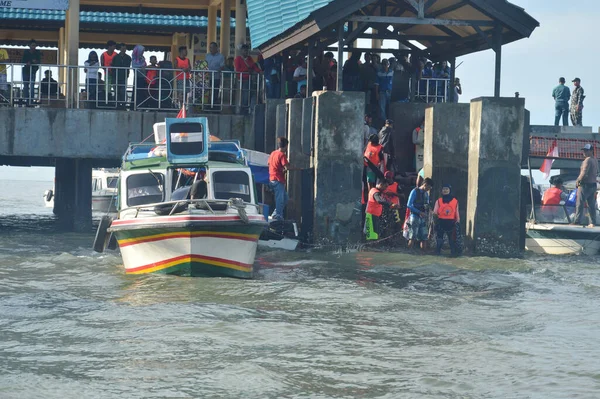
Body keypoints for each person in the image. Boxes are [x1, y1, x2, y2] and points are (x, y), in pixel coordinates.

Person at [573, 144, 598, 227]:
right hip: (593, 185)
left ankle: (577, 221)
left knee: (580, 203)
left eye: (586, 150)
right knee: (591, 205)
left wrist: (578, 180)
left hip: (585, 185)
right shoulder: (595, 160)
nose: (584, 152)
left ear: (591, 151)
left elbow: (584, 172)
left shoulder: (587, 160)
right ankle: (592, 222)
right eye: (584, 150)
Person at [268, 137, 293, 221]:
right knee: (280, 200)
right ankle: (278, 217)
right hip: (278, 180)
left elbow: (269, 164)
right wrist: (297, 168)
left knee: (285, 198)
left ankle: (275, 214)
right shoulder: (282, 155)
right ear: (286, 146)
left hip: (272, 179)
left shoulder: (273, 153)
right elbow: (287, 167)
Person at [433, 184, 460, 256]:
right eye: (443, 189)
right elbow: (435, 212)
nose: (445, 190)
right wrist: (434, 222)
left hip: (451, 223)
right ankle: (437, 253)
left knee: (451, 239)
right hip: (441, 222)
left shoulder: (455, 201)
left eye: (447, 189)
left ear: (450, 190)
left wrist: (458, 221)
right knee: (439, 239)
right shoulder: (438, 201)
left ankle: (453, 253)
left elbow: (457, 212)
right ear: (441, 191)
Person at [406, 177, 433, 250]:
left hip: (423, 218)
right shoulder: (414, 191)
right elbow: (409, 205)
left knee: (424, 238)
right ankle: (409, 252)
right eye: (428, 187)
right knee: (412, 237)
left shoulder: (426, 194)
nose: (429, 189)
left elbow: (426, 204)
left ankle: (423, 253)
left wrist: (429, 210)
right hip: (414, 217)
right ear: (425, 184)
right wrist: (419, 212)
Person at [234, 44, 262, 110]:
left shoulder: (249, 58)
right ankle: (243, 109)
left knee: (250, 94)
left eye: (247, 51)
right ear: (241, 51)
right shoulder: (238, 59)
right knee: (245, 95)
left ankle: (248, 108)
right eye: (244, 50)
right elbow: (238, 70)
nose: (246, 52)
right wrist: (248, 69)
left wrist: (260, 71)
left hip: (250, 79)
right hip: (243, 80)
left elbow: (254, 67)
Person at [21, 39, 41, 105]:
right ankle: (27, 100)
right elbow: (22, 61)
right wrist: (27, 62)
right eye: (32, 45)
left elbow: (39, 61)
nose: (34, 47)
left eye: (35, 45)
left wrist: (34, 62)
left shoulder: (38, 52)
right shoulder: (26, 52)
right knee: (26, 86)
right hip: (25, 71)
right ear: (29, 46)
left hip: (33, 71)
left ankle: (31, 100)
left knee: (32, 86)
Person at [111, 43, 132, 107]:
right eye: (122, 48)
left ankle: (123, 104)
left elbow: (128, 67)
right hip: (116, 77)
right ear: (120, 49)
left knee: (123, 91)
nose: (124, 50)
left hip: (124, 76)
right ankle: (117, 104)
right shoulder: (115, 57)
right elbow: (113, 67)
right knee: (116, 91)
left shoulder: (128, 57)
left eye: (125, 48)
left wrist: (127, 75)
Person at [206, 42, 225, 106]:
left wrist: (218, 70)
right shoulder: (207, 56)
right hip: (207, 77)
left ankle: (214, 105)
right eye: (210, 47)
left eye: (212, 47)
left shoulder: (221, 56)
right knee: (207, 91)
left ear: (216, 48)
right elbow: (204, 65)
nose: (211, 49)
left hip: (216, 77)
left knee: (215, 92)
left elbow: (222, 67)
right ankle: (207, 105)